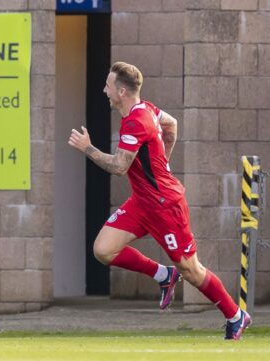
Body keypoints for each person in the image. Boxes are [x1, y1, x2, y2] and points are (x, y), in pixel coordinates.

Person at [68, 61, 250, 340]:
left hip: (166, 207)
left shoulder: (136, 120)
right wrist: (162, 161)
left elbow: (119, 167)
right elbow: (171, 125)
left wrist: (87, 148)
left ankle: (235, 315)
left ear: (122, 91)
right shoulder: (147, 109)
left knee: (191, 269)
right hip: (143, 202)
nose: (104, 90)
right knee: (103, 250)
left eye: (108, 86)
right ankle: (164, 276)